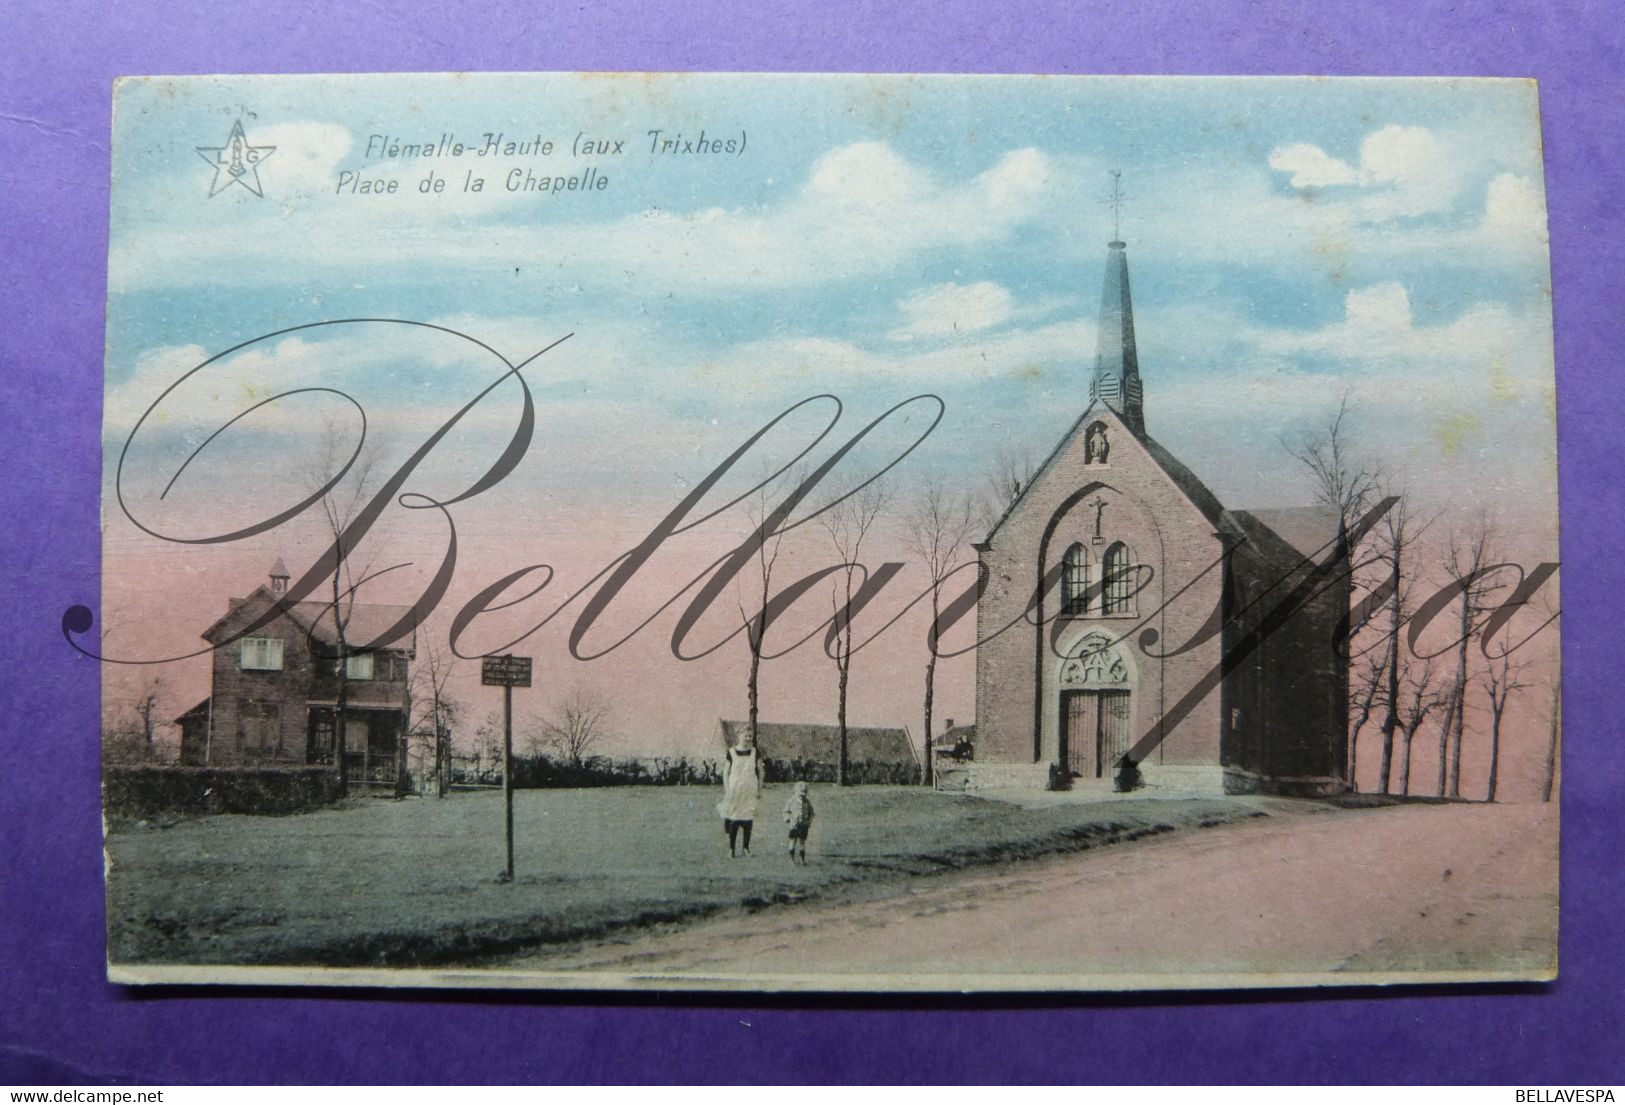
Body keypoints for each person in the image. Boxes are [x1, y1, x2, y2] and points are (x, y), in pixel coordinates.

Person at [717, 732, 763, 857]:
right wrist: (727, 791)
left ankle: (746, 848)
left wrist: (759, 788)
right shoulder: (731, 752)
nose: (748, 739)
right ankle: (731, 849)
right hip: (735, 790)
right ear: (739, 736)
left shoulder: (755, 752)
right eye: (746, 736)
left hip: (749, 790)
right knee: (734, 819)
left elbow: (761, 771)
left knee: (748, 818)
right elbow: (726, 773)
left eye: (750, 737)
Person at [783, 781, 814, 866]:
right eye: (800, 794)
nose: (802, 797)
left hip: (803, 825)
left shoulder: (807, 802)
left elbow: (812, 813)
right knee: (792, 842)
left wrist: (809, 822)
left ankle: (802, 860)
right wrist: (788, 820)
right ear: (795, 792)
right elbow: (785, 812)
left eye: (804, 794)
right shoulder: (791, 801)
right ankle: (792, 860)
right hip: (794, 826)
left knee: (802, 843)